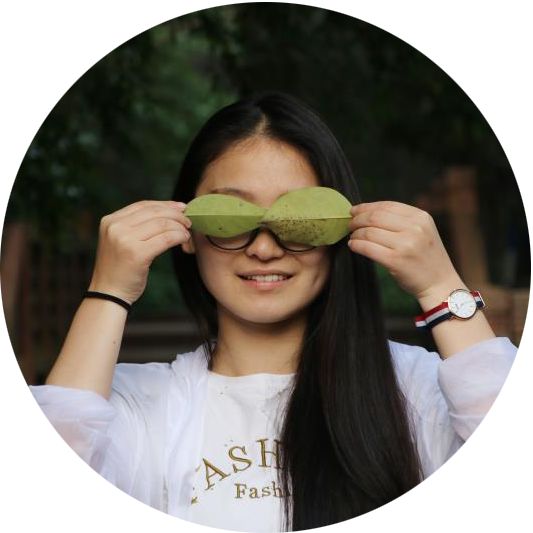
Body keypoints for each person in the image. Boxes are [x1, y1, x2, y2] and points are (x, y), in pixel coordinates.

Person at [29, 91, 517, 532]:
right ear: (187, 231)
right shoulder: (136, 406)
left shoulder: (418, 391)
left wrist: (440, 287)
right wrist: (108, 290)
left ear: (339, 228)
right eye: (230, 217)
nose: (264, 248)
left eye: (298, 219)